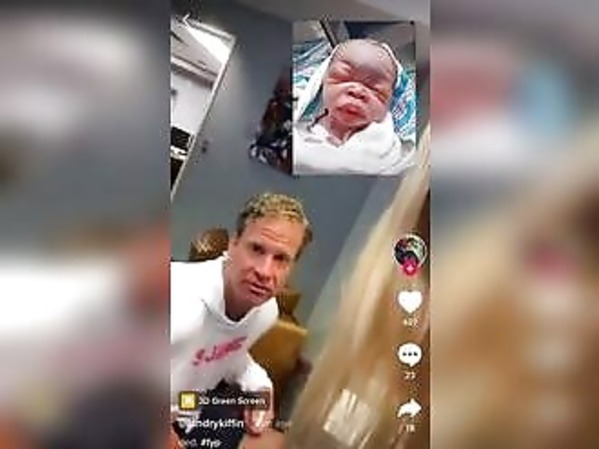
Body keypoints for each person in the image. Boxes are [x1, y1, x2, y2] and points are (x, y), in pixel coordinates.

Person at [170, 192, 312, 447]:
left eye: (281, 259)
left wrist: (259, 386)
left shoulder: (266, 311)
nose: (265, 271)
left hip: (188, 406)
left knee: (273, 442)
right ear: (233, 244)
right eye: (256, 249)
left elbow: (226, 352)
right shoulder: (178, 297)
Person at [293, 39, 416, 175]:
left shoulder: (380, 138)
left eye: (375, 89)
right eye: (343, 77)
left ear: (389, 103)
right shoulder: (304, 120)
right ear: (323, 82)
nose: (357, 91)